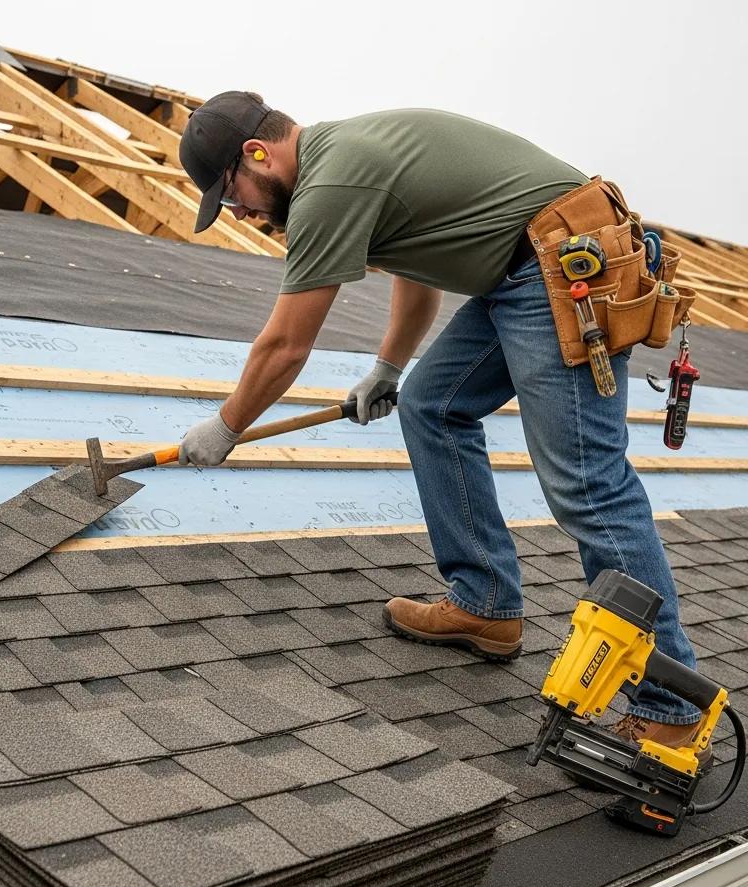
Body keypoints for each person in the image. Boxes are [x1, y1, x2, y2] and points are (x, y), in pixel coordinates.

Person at [176, 91, 706, 758]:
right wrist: (389, 368)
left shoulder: (328, 183)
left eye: (232, 196)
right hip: (518, 273)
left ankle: (670, 706)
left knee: (589, 485)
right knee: (433, 405)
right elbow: (415, 274)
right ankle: (485, 603)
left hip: (555, 264)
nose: (244, 213)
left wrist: (226, 425)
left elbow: (284, 344)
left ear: (258, 154)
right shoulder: (346, 160)